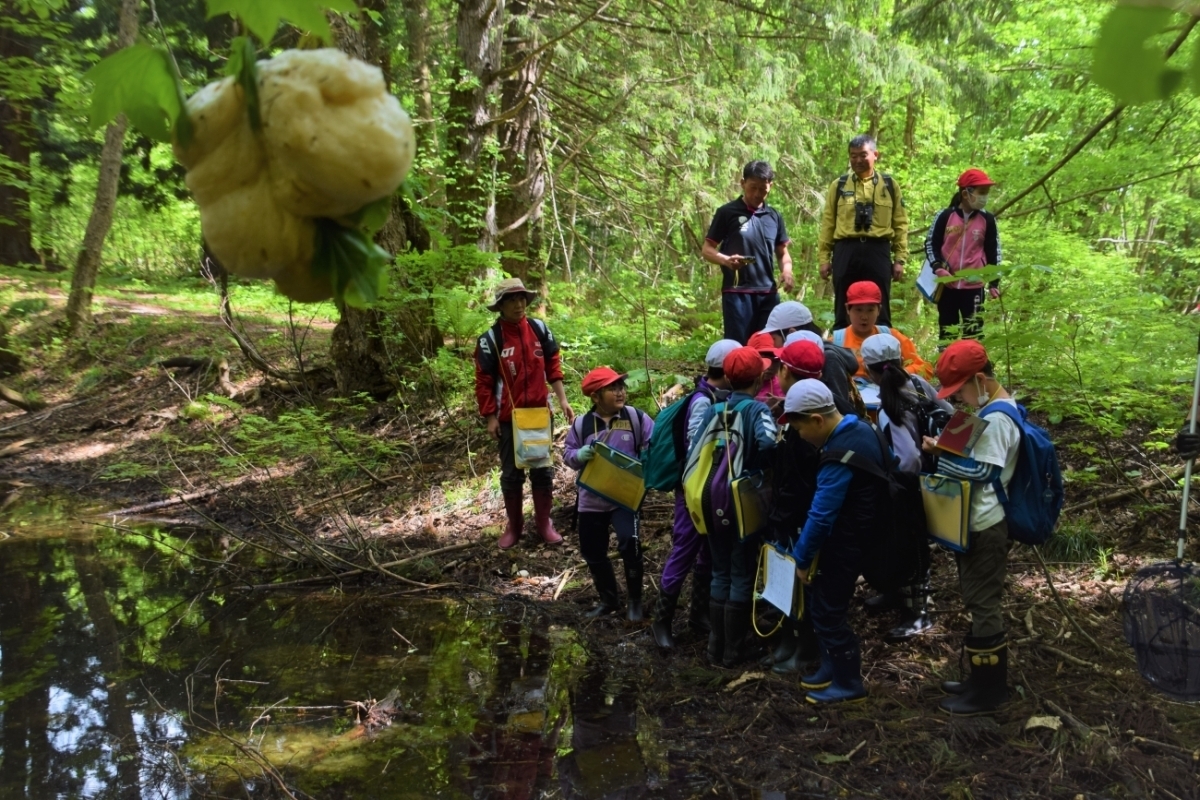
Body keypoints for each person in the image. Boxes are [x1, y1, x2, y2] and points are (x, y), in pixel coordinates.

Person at [921, 340, 1022, 715]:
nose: (959, 399)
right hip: (972, 523)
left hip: (986, 524)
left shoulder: (996, 419)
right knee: (976, 600)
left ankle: (989, 691)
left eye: (961, 389)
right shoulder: (988, 409)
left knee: (984, 606)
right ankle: (977, 680)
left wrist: (936, 456)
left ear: (980, 379)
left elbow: (983, 471)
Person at [786, 379, 891, 705]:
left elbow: (821, 515)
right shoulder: (862, 427)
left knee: (829, 613)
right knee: (824, 608)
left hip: (846, 544)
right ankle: (830, 669)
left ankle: (848, 681)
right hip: (863, 536)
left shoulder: (839, 454)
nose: (801, 436)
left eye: (801, 429)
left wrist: (801, 559)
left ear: (817, 420)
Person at [690, 347, 779, 666]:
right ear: (759, 378)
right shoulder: (757, 411)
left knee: (720, 569)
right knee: (742, 572)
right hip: (742, 501)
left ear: (727, 377)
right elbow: (768, 443)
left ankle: (715, 648)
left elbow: (695, 449)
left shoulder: (714, 409)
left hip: (711, 498)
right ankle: (735, 650)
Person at [860, 333, 952, 641]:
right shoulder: (919, 385)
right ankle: (895, 594)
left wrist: (895, 479)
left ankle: (918, 613)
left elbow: (908, 458)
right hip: (933, 478)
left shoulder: (889, 406)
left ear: (869, 370)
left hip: (910, 487)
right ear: (901, 360)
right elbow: (952, 417)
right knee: (907, 544)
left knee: (911, 547)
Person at [474, 278, 575, 550]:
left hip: (541, 414)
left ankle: (544, 523)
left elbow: (553, 365)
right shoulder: (491, 340)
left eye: (522, 299)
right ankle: (514, 526)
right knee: (511, 474)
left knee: (542, 470)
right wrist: (490, 417)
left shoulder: (539, 329)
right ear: (501, 306)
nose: (518, 304)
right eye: (511, 300)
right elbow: (484, 382)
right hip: (509, 418)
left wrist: (563, 400)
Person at [651, 339, 738, 648]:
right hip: (694, 489)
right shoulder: (702, 400)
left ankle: (697, 614)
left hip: (713, 488)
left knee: (707, 553)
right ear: (727, 370)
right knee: (685, 548)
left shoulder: (723, 395)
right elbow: (695, 449)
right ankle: (661, 622)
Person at [565, 368, 655, 620]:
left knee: (630, 543)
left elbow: (654, 444)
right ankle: (608, 600)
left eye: (621, 387)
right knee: (593, 551)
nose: (620, 392)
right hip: (591, 501)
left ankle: (635, 602)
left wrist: (646, 464)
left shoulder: (636, 418)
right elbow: (567, 454)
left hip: (625, 499)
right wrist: (578, 455)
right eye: (612, 388)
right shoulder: (582, 424)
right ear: (595, 396)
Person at [760, 340, 826, 674]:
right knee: (785, 583)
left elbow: (801, 481)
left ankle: (805, 649)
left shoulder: (808, 424)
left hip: (797, 519)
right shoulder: (793, 413)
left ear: (786, 371)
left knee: (804, 585)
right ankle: (787, 641)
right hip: (786, 517)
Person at [817, 134, 909, 328]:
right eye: (853, 156)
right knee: (843, 307)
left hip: (878, 250)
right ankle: (843, 353)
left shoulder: (889, 186)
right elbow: (828, 224)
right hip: (845, 250)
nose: (857, 160)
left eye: (863, 155)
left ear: (876, 155)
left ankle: (883, 353)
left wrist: (900, 259)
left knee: (880, 307)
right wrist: (824, 259)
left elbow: (900, 224)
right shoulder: (839, 185)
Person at [701, 161, 795, 344]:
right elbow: (707, 249)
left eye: (763, 189)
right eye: (753, 188)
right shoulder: (727, 212)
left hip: (768, 294)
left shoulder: (774, 216)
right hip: (737, 293)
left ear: (770, 187)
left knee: (768, 345)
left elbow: (783, 252)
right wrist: (726, 260)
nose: (757, 194)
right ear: (743, 183)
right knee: (738, 347)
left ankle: (768, 374)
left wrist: (787, 271)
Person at [924, 169, 1002, 341]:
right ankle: (945, 365)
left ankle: (973, 366)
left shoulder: (988, 220)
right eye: (982, 193)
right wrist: (938, 268)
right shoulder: (945, 216)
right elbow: (931, 244)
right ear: (966, 194)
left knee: (973, 332)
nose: (985, 197)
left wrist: (994, 282)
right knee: (947, 331)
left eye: (986, 193)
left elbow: (993, 251)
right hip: (947, 286)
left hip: (974, 287)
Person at [829, 281, 932, 380]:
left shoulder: (891, 337)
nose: (864, 317)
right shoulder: (836, 342)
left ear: (879, 310)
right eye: (858, 310)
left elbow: (925, 368)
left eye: (870, 310)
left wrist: (901, 374)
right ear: (847, 309)